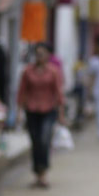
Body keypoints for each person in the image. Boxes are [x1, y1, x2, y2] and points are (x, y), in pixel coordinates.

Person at [17, 42, 66, 188]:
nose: (40, 56)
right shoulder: (27, 71)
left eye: (42, 53)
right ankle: (37, 173)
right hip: (32, 110)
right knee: (35, 142)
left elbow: (58, 93)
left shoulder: (53, 72)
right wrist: (19, 113)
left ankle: (43, 173)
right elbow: (22, 92)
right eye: (37, 53)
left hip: (49, 110)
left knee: (45, 140)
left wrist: (61, 114)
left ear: (48, 55)